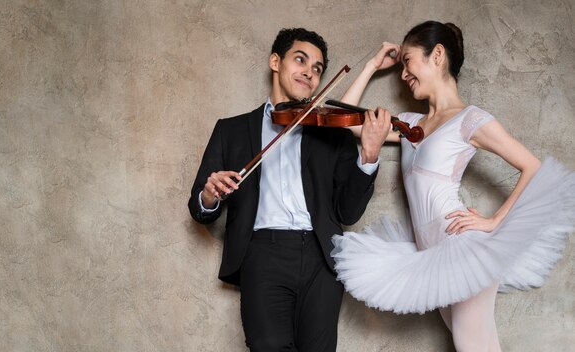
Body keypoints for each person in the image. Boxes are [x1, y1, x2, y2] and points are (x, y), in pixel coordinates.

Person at [331, 21, 575, 351]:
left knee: (471, 345)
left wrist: (493, 221)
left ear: (438, 55)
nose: (403, 75)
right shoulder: (410, 124)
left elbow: (531, 166)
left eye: (408, 61)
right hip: (431, 254)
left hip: (461, 248)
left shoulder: (470, 119)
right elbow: (346, 122)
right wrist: (372, 66)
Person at [188, 28, 390, 351]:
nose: (309, 73)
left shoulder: (329, 132)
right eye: (300, 60)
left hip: (320, 258)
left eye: (317, 69)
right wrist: (210, 195)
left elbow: (348, 212)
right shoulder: (232, 130)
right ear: (275, 62)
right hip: (262, 254)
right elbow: (199, 209)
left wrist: (368, 156)